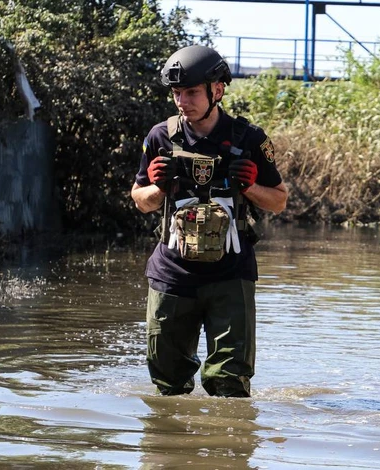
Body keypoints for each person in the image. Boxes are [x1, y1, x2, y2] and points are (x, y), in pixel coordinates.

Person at [132, 45, 288, 398]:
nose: (182, 101)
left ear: (217, 90)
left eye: (191, 92)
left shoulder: (250, 139)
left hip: (230, 275)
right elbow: (140, 201)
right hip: (172, 274)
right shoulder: (160, 137)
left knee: (229, 385)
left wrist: (249, 186)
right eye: (176, 93)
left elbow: (279, 200)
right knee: (168, 385)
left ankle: (228, 449)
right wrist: (158, 187)